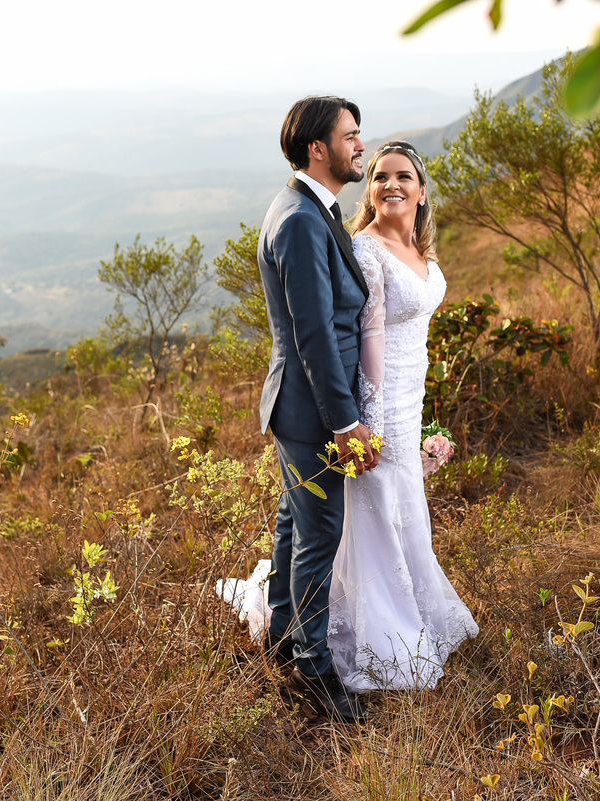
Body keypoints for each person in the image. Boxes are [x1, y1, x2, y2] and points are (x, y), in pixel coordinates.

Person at [326, 141, 478, 693]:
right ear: (369, 191)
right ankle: (385, 637)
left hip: (412, 399)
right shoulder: (366, 249)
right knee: (377, 509)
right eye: (380, 177)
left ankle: (415, 610)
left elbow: (417, 336)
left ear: (421, 190)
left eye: (403, 176)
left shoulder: (419, 249)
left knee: (407, 508)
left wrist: (423, 425)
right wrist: (367, 424)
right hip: (381, 404)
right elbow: (369, 339)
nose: (391, 185)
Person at [253, 96, 379, 723]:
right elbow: (315, 336)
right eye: (350, 136)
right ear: (317, 149)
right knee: (319, 535)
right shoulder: (301, 220)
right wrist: (346, 422)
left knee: (294, 524)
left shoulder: (309, 208)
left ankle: (281, 634)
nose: (361, 146)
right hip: (312, 413)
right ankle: (313, 666)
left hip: (299, 407)